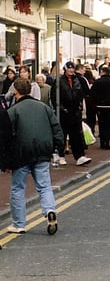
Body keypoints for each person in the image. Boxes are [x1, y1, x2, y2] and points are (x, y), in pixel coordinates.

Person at [4, 78, 65, 235]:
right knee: (44, 186)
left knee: (18, 188)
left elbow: (6, 137)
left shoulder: (12, 111)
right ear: (30, 91)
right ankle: (50, 210)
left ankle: (19, 224)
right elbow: (56, 128)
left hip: (21, 153)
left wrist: (6, 160)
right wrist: (58, 149)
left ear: (15, 91)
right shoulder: (44, 108)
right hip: (43, 151)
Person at [51, 61, 91, 166]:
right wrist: (62, 109)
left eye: (72, 68)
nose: (71, 70)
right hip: (64, 112)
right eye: (69, 68)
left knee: (77, 135)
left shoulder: (77, 80)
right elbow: (55, 97)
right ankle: (60, 156)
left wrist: (79, 107)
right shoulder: (59, 81)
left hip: (75, 112)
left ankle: (80, 156)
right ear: (65, 69)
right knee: (62, 135)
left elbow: (80, 94)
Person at [91, 65, 110, 150]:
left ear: (102, 72)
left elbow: (92, 93)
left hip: (100, 105)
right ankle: (107, 142)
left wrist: (96, 102)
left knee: (101, 124)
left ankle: (102, 142)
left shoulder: (97, 82)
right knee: (109, 123)